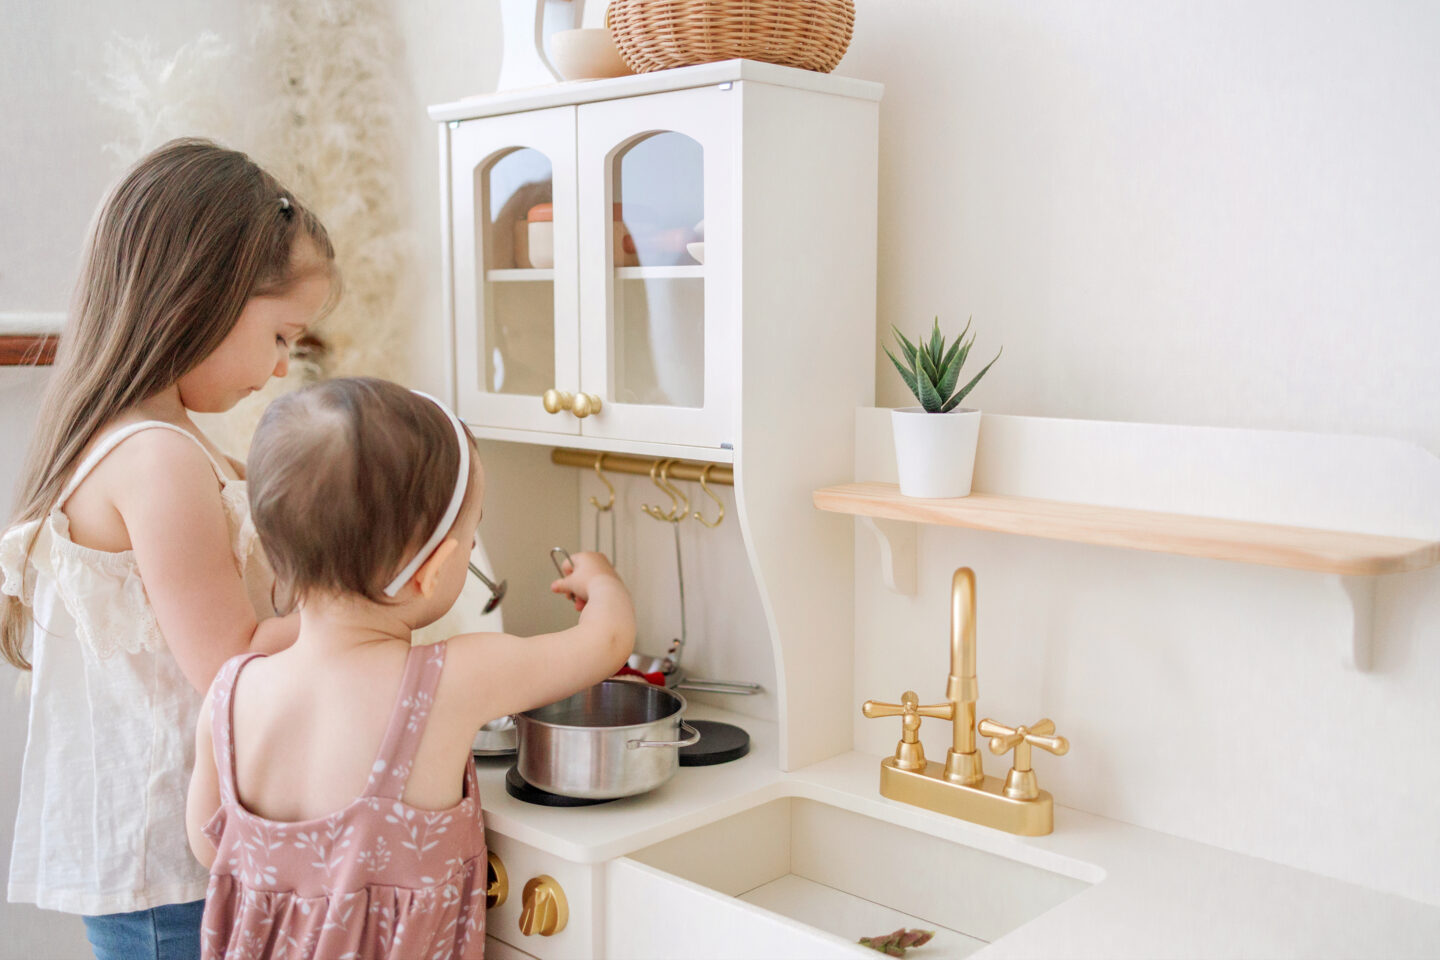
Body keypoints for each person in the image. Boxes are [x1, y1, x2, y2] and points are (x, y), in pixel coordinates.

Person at [0, 138, 338, 959]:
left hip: (171, 858)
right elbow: (229, 659)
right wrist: (362, 601)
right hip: (175, 870)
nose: (281, 363)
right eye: (280, 333)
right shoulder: (157, 458)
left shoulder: (155, 441)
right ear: (200, 296)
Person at [186, 377, 635, 959]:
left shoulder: (230, 691)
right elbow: (608, 641)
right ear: (432, 569)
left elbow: (207, 845)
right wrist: (599, 578)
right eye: (468, 541)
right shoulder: (447, 681)